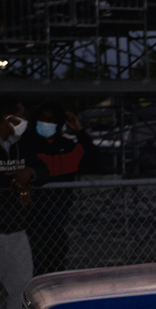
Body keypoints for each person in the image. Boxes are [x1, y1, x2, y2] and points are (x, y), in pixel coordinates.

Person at [0, 97, 40, 309]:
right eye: (20, 117)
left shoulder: (22, 144)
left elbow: (40, 168)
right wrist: (11, 178)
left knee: (21, 292)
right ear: (6, 118)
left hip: (17, 231)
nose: (24, 123)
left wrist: (29, 172)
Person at [22, 99, 94, 275]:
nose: (46, 122)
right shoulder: (25, 145)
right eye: (43, 118)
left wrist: (80, 131)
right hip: (28, 222)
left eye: (51, 119)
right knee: (28, 271)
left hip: (56, 222)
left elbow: (95, 163)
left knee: (54, 270)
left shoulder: (68, 147)